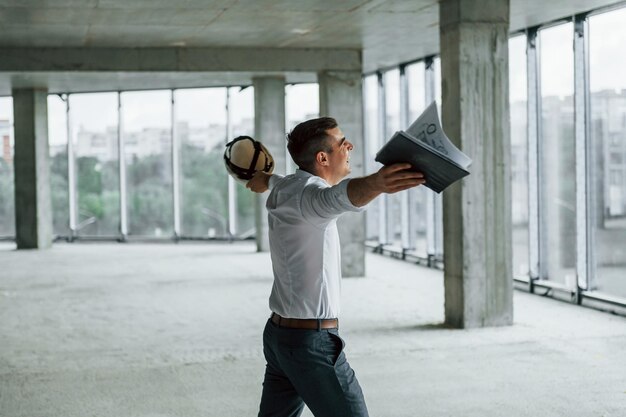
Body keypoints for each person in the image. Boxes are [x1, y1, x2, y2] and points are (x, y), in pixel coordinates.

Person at [247, 117, 425, 417]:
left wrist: (263, 179)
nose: (350, 146)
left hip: (279, 337)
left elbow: (273, 180)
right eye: (343, 143)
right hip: (309, 344)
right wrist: (377, 183)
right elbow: (337, 197)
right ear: (322, 158)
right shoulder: (311, 198)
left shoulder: (287, 186)